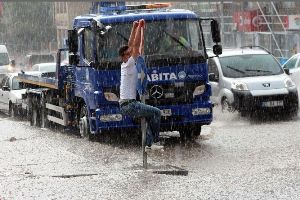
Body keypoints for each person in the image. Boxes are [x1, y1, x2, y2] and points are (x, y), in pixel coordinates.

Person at [118, 19, 163, 151]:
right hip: (129, 105)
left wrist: (136, 27)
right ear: (123, 57)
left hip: (128, 104)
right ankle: (154, 142)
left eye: (130, 53)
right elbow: (135, 46)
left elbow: (135, 45)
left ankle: (148, 145)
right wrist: (139, 28)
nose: (131, 54)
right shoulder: (128, 64)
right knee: (156, 113)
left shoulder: (128, 63)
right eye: (128, 54)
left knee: (149, 117)